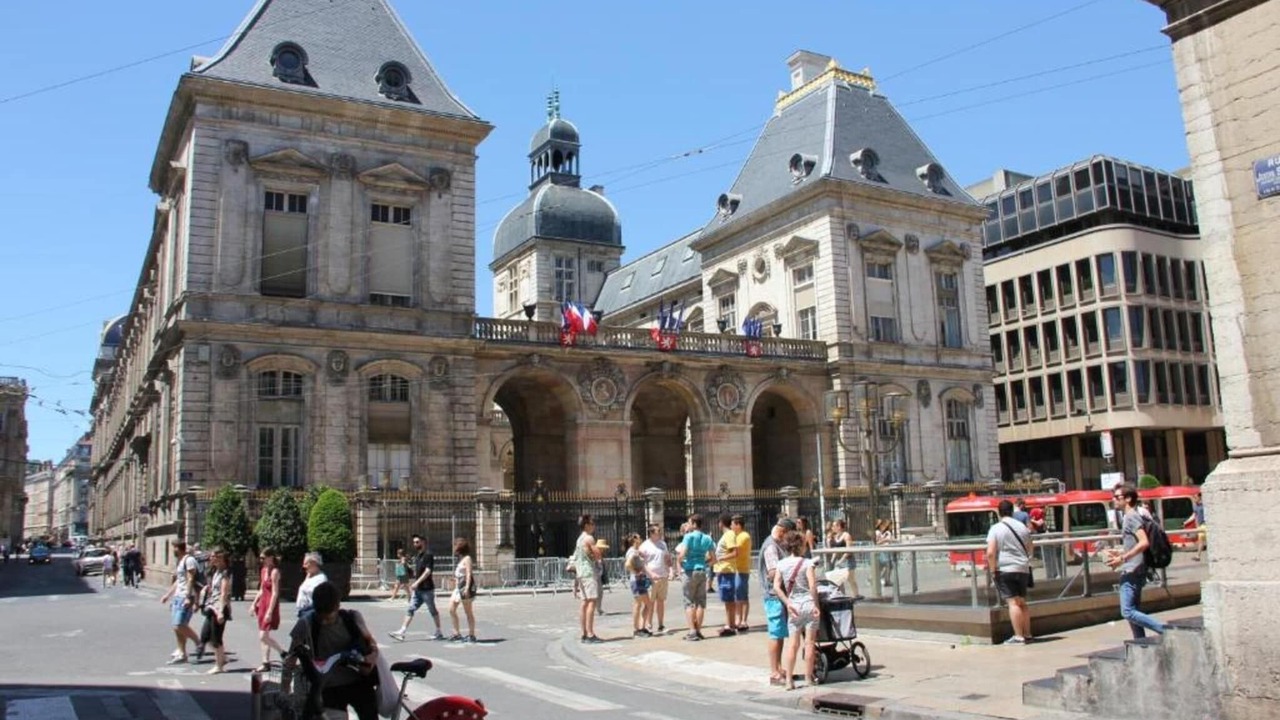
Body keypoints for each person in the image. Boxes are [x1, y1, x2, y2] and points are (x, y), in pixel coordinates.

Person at [284, 581, 380, 720]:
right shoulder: (306, 623)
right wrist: (284, 691)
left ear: (338, 606)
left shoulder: (352, 618)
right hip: (328, 686)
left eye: (328, 617)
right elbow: (291, 658)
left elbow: (371, 643)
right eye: (320, 616)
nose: (324, 622)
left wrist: (372, 656)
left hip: (357, 681)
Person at [1106, 484, 1168, 639]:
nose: (1114, 500)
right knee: (1133, 610)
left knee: (1127, 611)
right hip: (1136, 567)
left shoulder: (1131, 516)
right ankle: (1140, 643)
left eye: (1117, 497)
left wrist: (1122, 558)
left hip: (1132, 569)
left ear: (1128, 499)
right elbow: (1135, 544)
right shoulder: (1129, 516)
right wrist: (1120, 552)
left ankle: (1165, 631)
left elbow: (1143, 542)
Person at [775, 529, 819, 690]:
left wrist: (788, 603)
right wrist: (816, 605)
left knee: (793, 644)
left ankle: (789, 680)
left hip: (794, 606)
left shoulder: (781, 564)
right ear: (800, 546)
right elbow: (813, 586)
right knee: (810, 643)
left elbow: (776, 587)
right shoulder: (807, 563)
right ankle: (808, 677)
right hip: (808, 604)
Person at [986, 499, 1034, 645]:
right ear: (1012, 511)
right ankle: (1027, 633)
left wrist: (993, 570)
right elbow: (1030, 546)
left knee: (1013, 603)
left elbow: (990, 553)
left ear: (999, 512)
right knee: (1022, 602)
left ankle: (1018, 636)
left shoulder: (996, 528)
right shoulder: (1021, 526)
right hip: (1023, 568)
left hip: (1006, 568)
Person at [389, 534, 444, 642]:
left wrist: (417, 582)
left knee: (432, 610)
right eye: (414, 542)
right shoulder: (418, 556)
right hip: (418, 590)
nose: (415, 544)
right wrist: (414, 581)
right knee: (411, 608)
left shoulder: (428, 555)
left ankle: (439, 631)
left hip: (427, 589)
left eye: (417, 542)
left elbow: (428, 571)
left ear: (423, 542)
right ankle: (402, 632)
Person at [760, 517, 795, 686]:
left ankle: (779, 668)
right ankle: (774, 672)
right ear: (782, 531)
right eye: (788, 535)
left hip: (779, 595)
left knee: (780, 633)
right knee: (775, 633)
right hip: (774, 595)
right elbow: (773, 573)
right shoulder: (771, 547)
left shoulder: (777, 544)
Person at [159, 540, 202, 664]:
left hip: (186, 596)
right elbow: (179, 581)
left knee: (179, 624)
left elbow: (191, 578)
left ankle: (199, 642)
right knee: (176, 627)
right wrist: (168, 595)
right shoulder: (181, 561)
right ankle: (182, 653)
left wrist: (188, 597)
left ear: (179, 548)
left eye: (174, 548)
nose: (173, 550)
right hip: (178, 596)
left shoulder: (189, 560)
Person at [676, 513, 715, 642]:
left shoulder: (688, 537)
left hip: (689, 570)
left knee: (689, 602)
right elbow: (713, 558)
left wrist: (680, 562)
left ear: (693, 524)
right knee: (700, 603)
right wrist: (705, 563)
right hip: (702, 570)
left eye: (689, 522)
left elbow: (682, 554)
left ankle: (692, 631)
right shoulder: (707, 538)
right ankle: (698, 630)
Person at [570, 515, 603, 643]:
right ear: (586, 525)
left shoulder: (579, 539)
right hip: (588, 572)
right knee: (591, 602)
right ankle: (590, 633)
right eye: (592, 523)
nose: (594, 526)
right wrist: (600, 549)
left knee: (584, 603)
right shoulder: (589, 538)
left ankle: (584, 633)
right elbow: (597, 554)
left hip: (581, 572)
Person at [199, 548, 233, 674]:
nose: (211, 558)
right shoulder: (215, 571)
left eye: (213, 556)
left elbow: (224, 593)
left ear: (220, 558)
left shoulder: (225, 574)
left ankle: (219, 666)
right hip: (212, 606)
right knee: (205, 635)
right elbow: (215, 589)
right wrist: (207, 589)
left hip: (219, 607)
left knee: (216, 638)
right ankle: (222, 658)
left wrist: (221, 611)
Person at [252, 547, 285, 672]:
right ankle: (265, 662)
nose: (261, 560)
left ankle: (283, 653)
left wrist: (270, 611)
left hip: (270, 604)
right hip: (263, 603)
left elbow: (275, 593)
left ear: (270, 557)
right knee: (263, 633)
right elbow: (261, 589)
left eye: (263, 558)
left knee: (263, 636)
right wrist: (254, 603)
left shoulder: (275, 572)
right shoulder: (263, 570)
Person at [639, 524, 672, 634]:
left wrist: (670, 570)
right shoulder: (644, 546)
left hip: (663, 576)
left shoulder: (663, 544)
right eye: (658, 531)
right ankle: (648, 624)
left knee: (661, 601)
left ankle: (661, 625)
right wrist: (651, 573)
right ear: (651, 533)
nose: (660, 532)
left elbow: (667, 557)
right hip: (651, 578)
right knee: (650, 602)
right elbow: (642, 563)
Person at [712, 513, 740, 637]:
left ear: (721, 523)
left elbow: (735, 552)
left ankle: (730, 625)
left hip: (726, 570)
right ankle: (730, 623)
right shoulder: (727, 535)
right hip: (724, 570)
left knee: (728, 600)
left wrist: (721, 558)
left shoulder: (729, 535)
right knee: (728, 600)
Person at [447, 538, 477, 643]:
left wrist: (467, 587)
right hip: (458, 587)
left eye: (455, 545)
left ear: (459, 547)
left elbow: (468, 573)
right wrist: (454, 580)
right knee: (451, 609)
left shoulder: (467, 559)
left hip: (464, 587)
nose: (453, 548)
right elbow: (460, 574)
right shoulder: (461, 559)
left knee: (468, 612)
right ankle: (456, 633)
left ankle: (471, 634)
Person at [731, 515, 753, 632]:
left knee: (742, 596)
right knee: (737, 596)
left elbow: (735, 552)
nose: (731, 527)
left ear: (738, 525)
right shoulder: (738, 536)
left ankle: (743, 620)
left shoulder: (743, 536)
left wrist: (721, 557)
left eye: (732, 524)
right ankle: (738, 619)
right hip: (736, 569)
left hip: (742, 569)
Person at [829, 519, 860, 599]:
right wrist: (832, 560)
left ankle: (856, 595)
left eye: (834, 526)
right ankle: (842, 595)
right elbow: (836, 550)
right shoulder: (835, 537)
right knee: (838, 579)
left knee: (850, 579)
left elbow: (848, 550)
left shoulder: (846, 535)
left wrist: (841, 560)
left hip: (848, 560)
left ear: (839, 527)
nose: (832, 527)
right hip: (839, 561)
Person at [627, 548, 652, 638]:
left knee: (647, 604)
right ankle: (637, 629)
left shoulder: (637, 551)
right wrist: (636, 572)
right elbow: (628, 564)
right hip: (636, 580)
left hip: (641, 580)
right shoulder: (632, 551)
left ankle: (642, 627)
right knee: (638, 604)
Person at [296, 552, 328, 618]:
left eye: (306, 563)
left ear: (314, 563)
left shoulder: (321, 579)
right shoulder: (309, 575)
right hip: (304, 611)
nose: (304, 566)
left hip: (311, 612)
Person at [874, 519, 896, 587]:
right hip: (882, 551)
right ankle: (879, 578)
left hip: (887, 550)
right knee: (885, 565)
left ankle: (886, 580)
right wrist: (885, 540)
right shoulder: (878, 532)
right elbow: (877, 542)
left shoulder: (885, 533)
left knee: (888, 566)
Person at [1189, 493, 1206, 561]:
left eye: (1195, 497)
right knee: (1201, 541)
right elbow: (1194, 515)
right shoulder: (1195, 506)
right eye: (1194, 498)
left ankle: (1198, 556)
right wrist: (1186, 522)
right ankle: (1198, 556)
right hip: (1200, 526)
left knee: (1202, 541)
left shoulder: (1204, 505)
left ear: (1200, 497)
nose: (1194, 499)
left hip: (1205, 524)